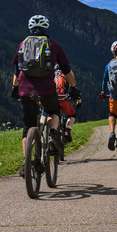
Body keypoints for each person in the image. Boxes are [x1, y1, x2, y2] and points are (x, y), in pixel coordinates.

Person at [12, 15, 81, 174]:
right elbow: (66, 71)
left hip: (25, 90)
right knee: (54, 111)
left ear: (30, 29)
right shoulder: (53, 45)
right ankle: (51, 135)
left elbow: (17, 72)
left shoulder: (22, 45)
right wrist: (74, 87)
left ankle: (26, 163)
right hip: (47, 90)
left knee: (28, 126)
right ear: (45, 29)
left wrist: (15, 88)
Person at [55, 66, 82, 144]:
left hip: (52, 101)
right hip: (63, 101)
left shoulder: (51, 75)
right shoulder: (66, 77)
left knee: (51, 114)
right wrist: (79, 103)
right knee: (72, 115)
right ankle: (67, 130)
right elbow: (77, 93)